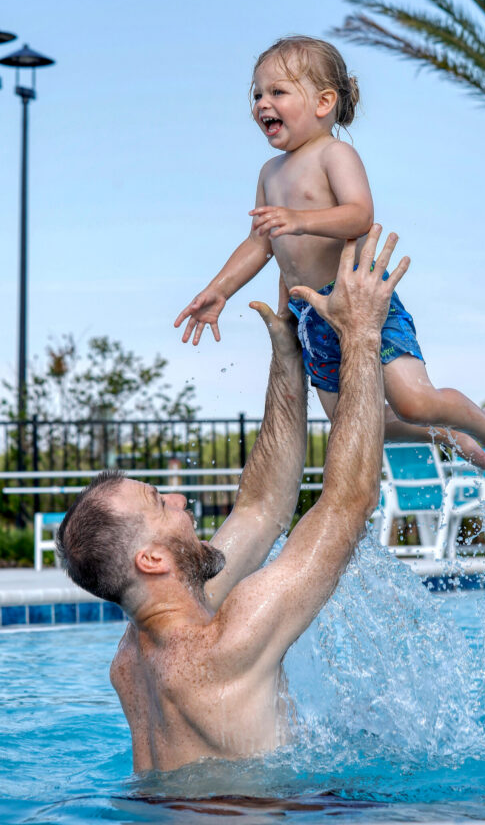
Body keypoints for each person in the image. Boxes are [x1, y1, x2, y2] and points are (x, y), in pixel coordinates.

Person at [57, 227, 407, 772]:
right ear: (151, 561)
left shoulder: (134, 660)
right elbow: (349, 505)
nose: (178, 500)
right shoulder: (225, 645)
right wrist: (362, 332)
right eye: (159, 504)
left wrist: (287, 353)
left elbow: (262, 508)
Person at [174, 35, 485, 475]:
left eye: (278, 91)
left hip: (361, 305)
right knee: (351, 422)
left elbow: (360, 215)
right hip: (313, 315)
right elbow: (259, 242)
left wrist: (300, 220)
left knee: (414, 401)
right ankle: (448, 436)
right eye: (258, 93)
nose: (263, 102)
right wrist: (218, 291)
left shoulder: (335, 154)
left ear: (324, 102)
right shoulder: (269, 173)